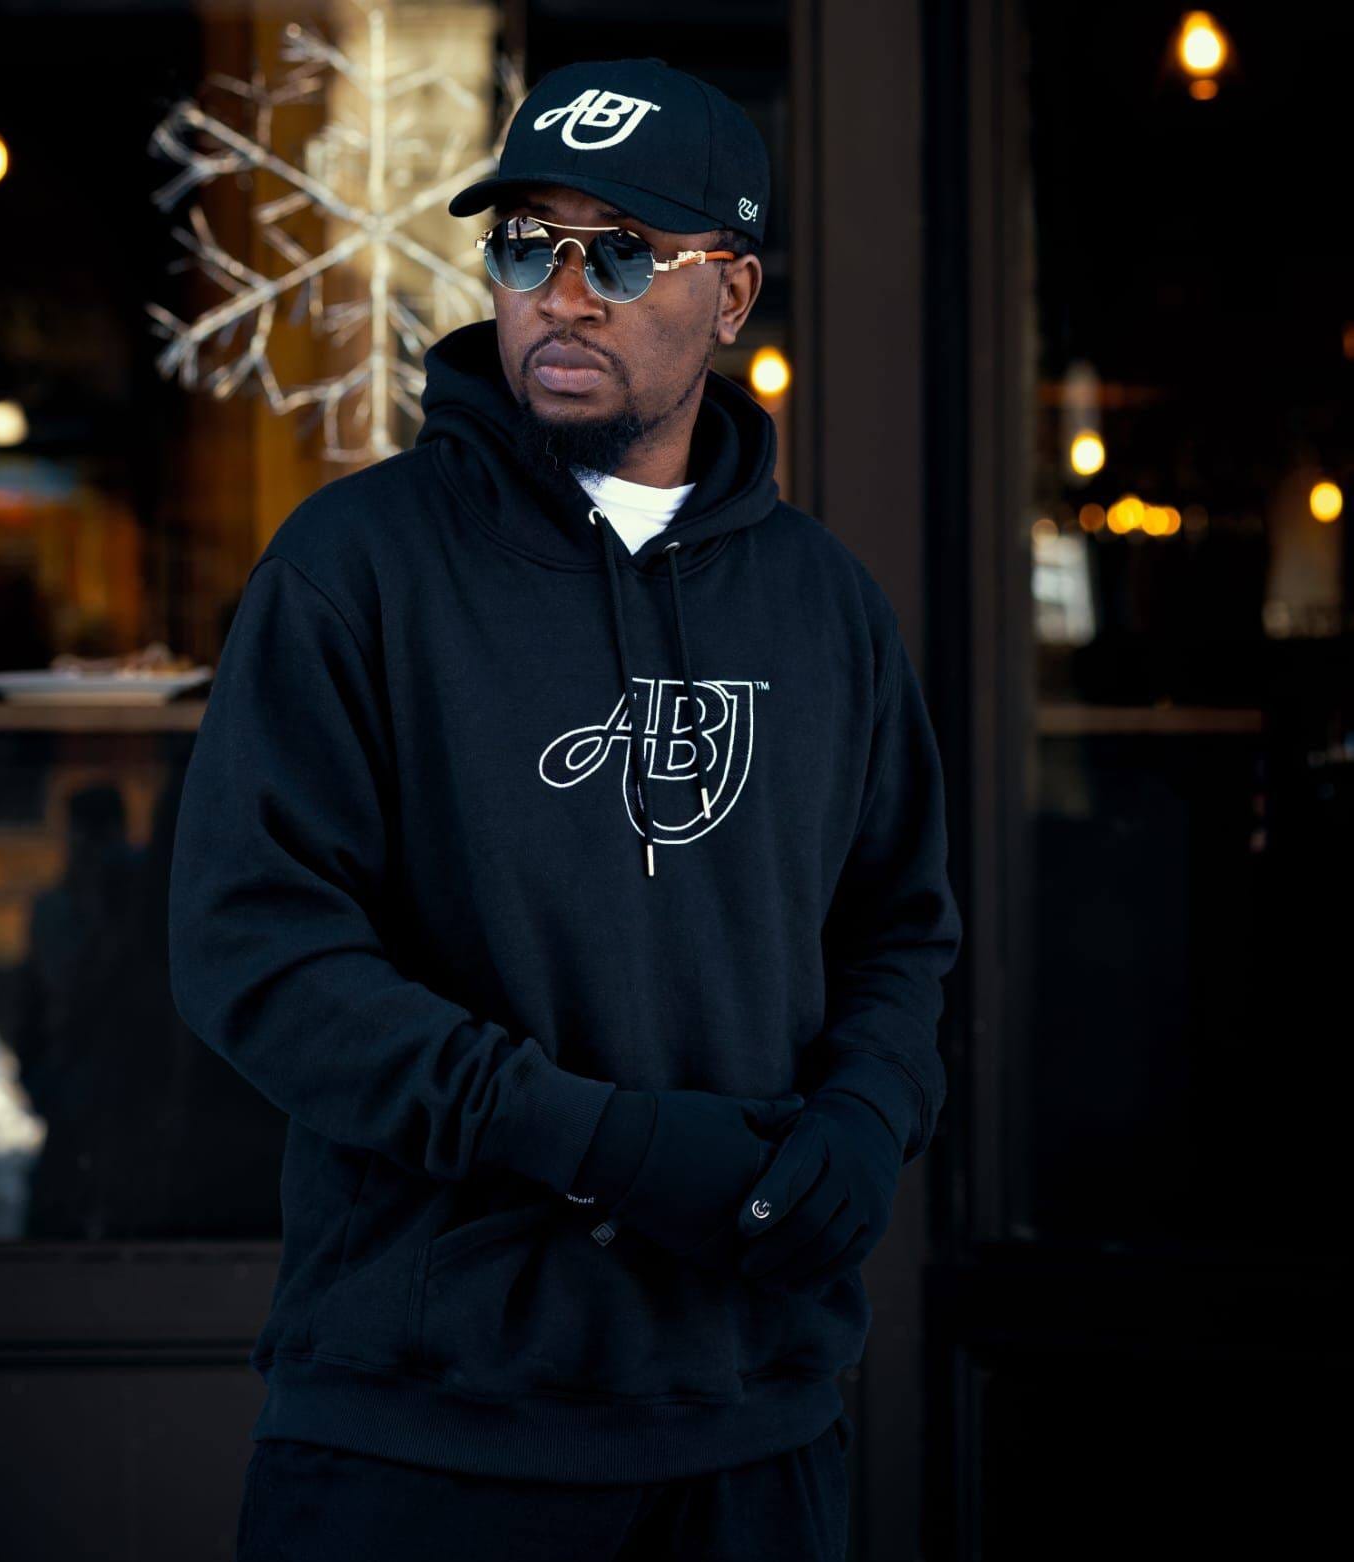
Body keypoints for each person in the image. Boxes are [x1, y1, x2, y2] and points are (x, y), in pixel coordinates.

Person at [168, 55, 963, 1562]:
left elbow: (899, 933)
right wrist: (594, 1139)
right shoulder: (354, 570)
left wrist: (865, 1118)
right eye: (528, 247)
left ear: (730, 295)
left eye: (623, 253)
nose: (564, 294)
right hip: (420, 1423)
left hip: (752, 1421)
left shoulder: (825, 607)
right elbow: (255, 955)